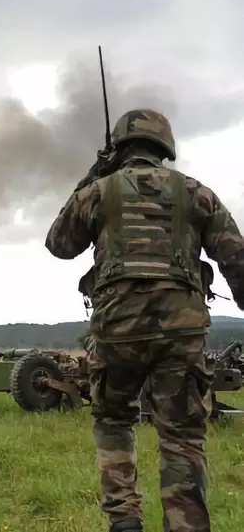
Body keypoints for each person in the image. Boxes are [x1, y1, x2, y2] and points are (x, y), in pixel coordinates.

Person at [44, 108, 244, 532]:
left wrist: (94, 174)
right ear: (164, 148)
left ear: (119, 148)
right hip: (181, 332)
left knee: (114, 421)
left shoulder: (99, 192)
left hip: (118, 329)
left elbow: (59, 244)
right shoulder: (196, 193)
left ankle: (125, 521)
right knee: (182, 436)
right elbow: (235, 257)